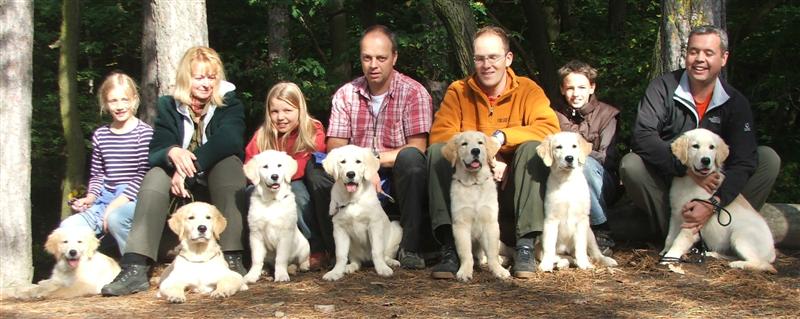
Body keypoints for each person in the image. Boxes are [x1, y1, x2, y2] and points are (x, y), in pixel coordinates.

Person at [102, 46, 248, 296]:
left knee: (229, 164)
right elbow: (156, 147)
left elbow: (230, 139)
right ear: (186, 77)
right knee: (155, 176)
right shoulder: (168, 105)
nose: (205, 84)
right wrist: (171, 152)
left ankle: (232, 257)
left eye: (211, 77)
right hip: (177, 189)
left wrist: (190, 167)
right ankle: (135, 266)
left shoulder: (229, 103)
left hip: (211, 179)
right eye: (198, 77)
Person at [620, 25, 780, 242]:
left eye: (708, 53)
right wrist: (685, 168)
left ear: (724, 58)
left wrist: (713, 202)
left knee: (768, 159)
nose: (699, 59)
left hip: (716, 187)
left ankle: (716, 230)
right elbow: (642, 136)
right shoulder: (663, 87)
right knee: (631, 164)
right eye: (693, 51)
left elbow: (744, 160)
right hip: (670, 180)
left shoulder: (735, 102)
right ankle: (672, 232)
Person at [428, 26, 560, 279]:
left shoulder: (528, 90)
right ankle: (450, 248)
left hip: (513, 185)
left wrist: (501, 141)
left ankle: (525, 245)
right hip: (467, 185)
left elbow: (548, 128)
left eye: (493, 57)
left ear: (508, 59)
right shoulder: (458, 91)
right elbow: (441, 134)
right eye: (479, 58)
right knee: (436, 152)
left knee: (532, 148)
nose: (486, 64)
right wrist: (484, 155)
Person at [305, 25, 433, 270]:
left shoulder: (414, 93)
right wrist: (362, 168)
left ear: (394, 57)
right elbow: (335, 146)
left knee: (412, 160)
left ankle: (410, 247)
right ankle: (337, 252)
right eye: (367, 58)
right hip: (354, 174)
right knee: (318, 169)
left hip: (397, 174)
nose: (374, 64)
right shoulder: (346, 94)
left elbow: (417, 147)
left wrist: (371, 162)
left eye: (381, 58)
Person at [61, 72, 153, 255]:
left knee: (115, 219)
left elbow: (143, 173)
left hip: (132, 198)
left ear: (134, 100)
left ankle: (134, 265)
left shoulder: (144, 133)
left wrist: (115, 205)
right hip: (104, 199)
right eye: (113, 101)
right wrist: (89, 198)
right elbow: (97, 175)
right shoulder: (101, 135)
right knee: (68, 226)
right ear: (105, 103)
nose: (119, 106)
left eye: (124, 100)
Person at [244, 82, 327, 270]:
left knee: (298, 195)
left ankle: (314, 249)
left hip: (299, 182)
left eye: (287, 110)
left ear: (300, 109)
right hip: (267, 186)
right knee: (249, 193)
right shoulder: (262, 135)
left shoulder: (313, 129)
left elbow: (308, 162)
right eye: (274, 111)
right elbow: (250, 162)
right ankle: (255, 255)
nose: (280, 117)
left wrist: (283, 177)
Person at [554, 60, 620, 254]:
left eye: (582, 87)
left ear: (592, 87)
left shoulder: (608, 114)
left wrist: (581, 150)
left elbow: (608, 158)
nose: (576, 94)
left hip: (600, 182)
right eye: (570, 88)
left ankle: (601, 229)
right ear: (562, 89)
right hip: (563, 181)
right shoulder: (554, 115)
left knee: (584, 163)